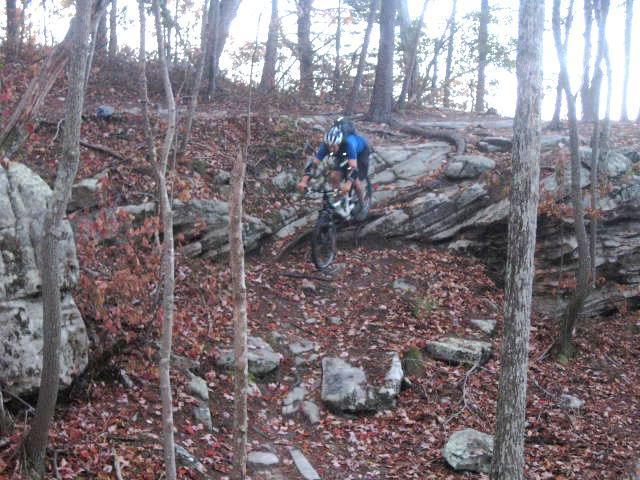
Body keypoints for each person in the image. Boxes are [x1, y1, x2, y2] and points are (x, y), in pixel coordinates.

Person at [297, 118, 371, 215]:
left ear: (339, 143)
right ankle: (338, 201)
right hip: (343, 155)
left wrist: (348, 184)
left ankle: (362, 204)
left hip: (360, 153)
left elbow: (353, 168)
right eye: (329, 146)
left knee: (355, 182)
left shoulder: (349, 144)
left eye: (333, 146)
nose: (331, 149)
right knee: (334, 176)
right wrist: (304, 181)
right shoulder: (325, 146)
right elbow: (314, 164)